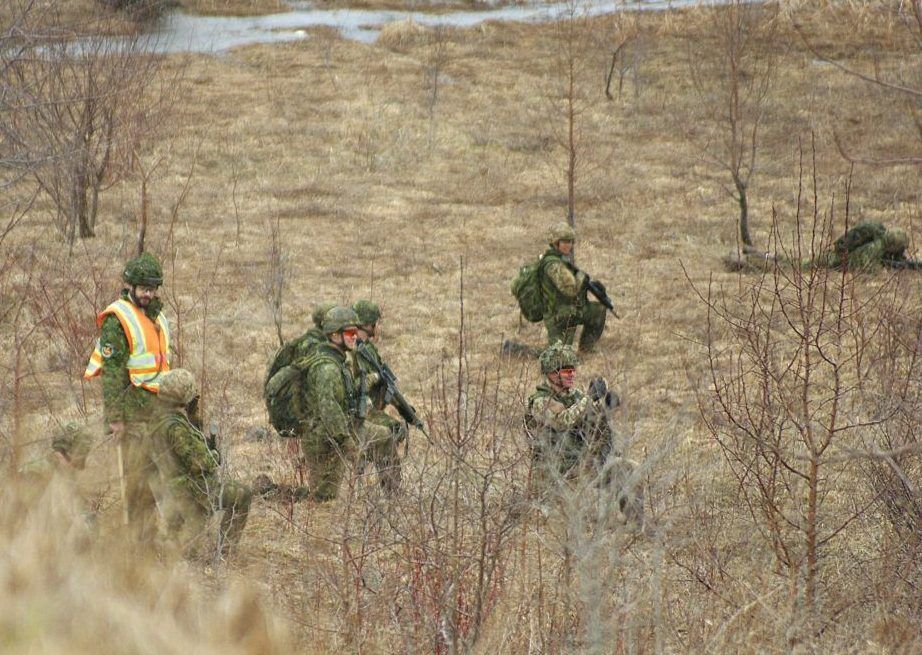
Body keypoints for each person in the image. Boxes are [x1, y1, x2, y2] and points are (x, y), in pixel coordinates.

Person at [84, 252, 171, 540]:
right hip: (132, 415)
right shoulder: (117, 320)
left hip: (158, 410)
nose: (149, 294)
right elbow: (112, 373)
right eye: (144, 288)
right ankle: (137, 540)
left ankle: (151, 532)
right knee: (135, 479)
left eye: (153, 288)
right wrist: (116, 419)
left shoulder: (157, 317)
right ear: (131, 286)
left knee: (157, 475)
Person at [525, 342, 643, 524]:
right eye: (566, 371)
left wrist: (605, 408)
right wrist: (589, 399)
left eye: (573, 370)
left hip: (582, 465)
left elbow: (591, 423)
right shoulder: (541, 401)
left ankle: (633, 527)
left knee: (630, 468)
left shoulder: (575, 396)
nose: (572, 374)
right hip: (556, 476)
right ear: (551, 373)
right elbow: (563, 420)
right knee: (575, 522)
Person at [149, 369, 251, 557]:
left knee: (186, 547)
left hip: (169, 490)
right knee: (242, 494)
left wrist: (195, 421)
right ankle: (226, 552)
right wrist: (215, 455)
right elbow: (200, 462)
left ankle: (175, 545)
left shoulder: (156, 420)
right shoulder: (176, 427)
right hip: (191, 491)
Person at [294, 306, 363, 501]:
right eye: (350, 332)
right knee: (323, 499)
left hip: (331, 436)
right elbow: (328, 407)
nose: (355, 337)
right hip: (322, 440)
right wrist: (347, 441)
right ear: (334, 335)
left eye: (356, 332)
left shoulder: (339, 362)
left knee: (324, 496)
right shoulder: (327, 368)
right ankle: (274, 492)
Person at [352, 299, 404, 494]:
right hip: (358, 411)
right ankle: (391, 490)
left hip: (369, 408)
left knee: (396, 429)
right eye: (375, 323)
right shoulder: (355, 351)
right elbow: (356, 387)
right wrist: (375, 378)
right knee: (389, 432)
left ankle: (388, 485)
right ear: (367, 324)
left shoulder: (367, 348)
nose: (377, 327)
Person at [726, 221, 918, 273]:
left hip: (831, 257)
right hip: (830, 263)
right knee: (790, 268)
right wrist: (884, 271)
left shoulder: (877, 238)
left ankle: (756, 253)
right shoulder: (874, 250)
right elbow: (866, 270)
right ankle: (743, 263)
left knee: (792, 261)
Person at [539, 222, 607, 352]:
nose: (569, 245)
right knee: (560, 356)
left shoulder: (558, 259)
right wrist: (582, 278)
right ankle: (517, 350)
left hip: (564, 311)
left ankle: (586, 349)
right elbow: (570, 290)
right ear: (555, 243)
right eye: (565, 241)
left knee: (598, 310)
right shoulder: (554, 264)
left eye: (570, 241)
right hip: (560, 315)